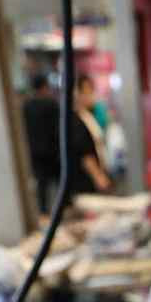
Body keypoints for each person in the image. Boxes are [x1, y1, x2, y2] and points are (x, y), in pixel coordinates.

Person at [22, 74, 111, 216]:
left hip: (38, 154)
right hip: (79, 177)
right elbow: (84, 150)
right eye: (87, 91)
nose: (91, 96)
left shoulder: (27, 106)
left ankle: (45, 211)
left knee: (43, 185)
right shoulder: (68, 115)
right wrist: (99, 177)